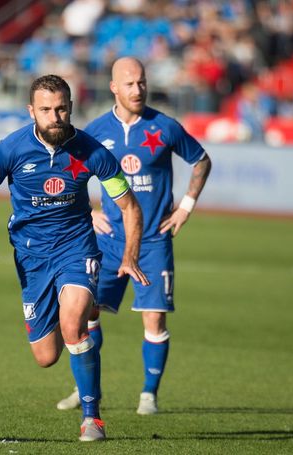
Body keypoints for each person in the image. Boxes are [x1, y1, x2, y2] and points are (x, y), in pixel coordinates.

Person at [0, 74, 149, 441]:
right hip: (31, 257)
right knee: (46, 356)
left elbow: (129, 206)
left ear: (71, 107)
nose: (55, 116)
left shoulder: (92, 151)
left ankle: (92, 418)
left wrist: (130, 255)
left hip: (77, 248)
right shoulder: (12, 148)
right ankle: (79, 312)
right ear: (31, 111)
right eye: (46, 110)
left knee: (74, 326)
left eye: (61, 108)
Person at [56, 57, 211, 415]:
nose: (137, 89)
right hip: (109, 242)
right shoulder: (95, 130)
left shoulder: (165, 127)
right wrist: (87, 211)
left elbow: (202, 161)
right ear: (114, 87)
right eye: (129, 84)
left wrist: (185, 207)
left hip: (154, 241)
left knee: (154, 319)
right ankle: (86, 389)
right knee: (86, 314)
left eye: (141, 82)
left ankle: (148, 396)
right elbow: (67, 174)